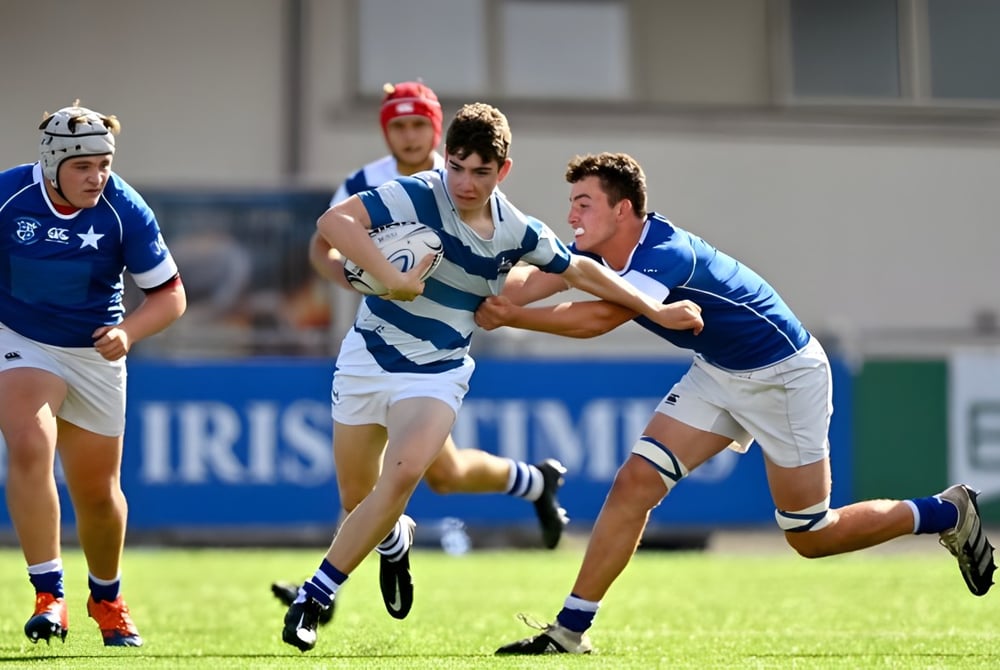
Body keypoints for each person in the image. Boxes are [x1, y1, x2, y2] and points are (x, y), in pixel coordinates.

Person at [478, 151, 997, 655]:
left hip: (785, 377)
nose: (571, 215)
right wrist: (474, 280)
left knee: (810, 534)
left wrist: (510, 317)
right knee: (634, 483)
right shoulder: (596, 250)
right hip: (718, 372)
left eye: (584, 203)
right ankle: (569, 631)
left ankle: (943, 511)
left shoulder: (664, 253)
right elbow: (531, 282)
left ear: (623, 209)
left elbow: (594, 320)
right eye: (572, 203)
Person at [280, 106, 704, 653]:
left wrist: (656, 308)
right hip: (368, 359)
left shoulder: (516, 229)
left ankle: (313, 598)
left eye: (481, 172)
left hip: (437, 372)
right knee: (358, 496)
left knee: (403, 476)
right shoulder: (417, 193)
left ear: (503, 171)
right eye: (457, 167)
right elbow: (334, 223)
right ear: (446, 159)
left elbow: (579, 269)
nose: (465, 183)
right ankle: (394, 536)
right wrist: (391, 278)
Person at [270, 82, 573, 622]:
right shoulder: (365, 184)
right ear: (385, 131)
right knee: (424, 477)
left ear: (438, 132)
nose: (409, 136)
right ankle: (533, 482)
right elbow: (324, 248)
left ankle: (323, 590)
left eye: (419, 125)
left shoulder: (463, 180)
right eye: (398, 125)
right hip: (379, 341)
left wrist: (509, 299)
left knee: (423, 475)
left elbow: (518, 262)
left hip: (436, 356)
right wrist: (372, 281)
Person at [0, 101, 187, 647]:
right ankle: (48, 594)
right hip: (19, 340)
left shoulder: (124, 208)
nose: (96, 176)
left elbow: (170, 296)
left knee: (99, 495)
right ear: (51, 162)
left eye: (104, 164)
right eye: (82, 166)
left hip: (94, 353)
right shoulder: (9, 196)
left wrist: (129, 332)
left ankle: (106, 598)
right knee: (30, 443)